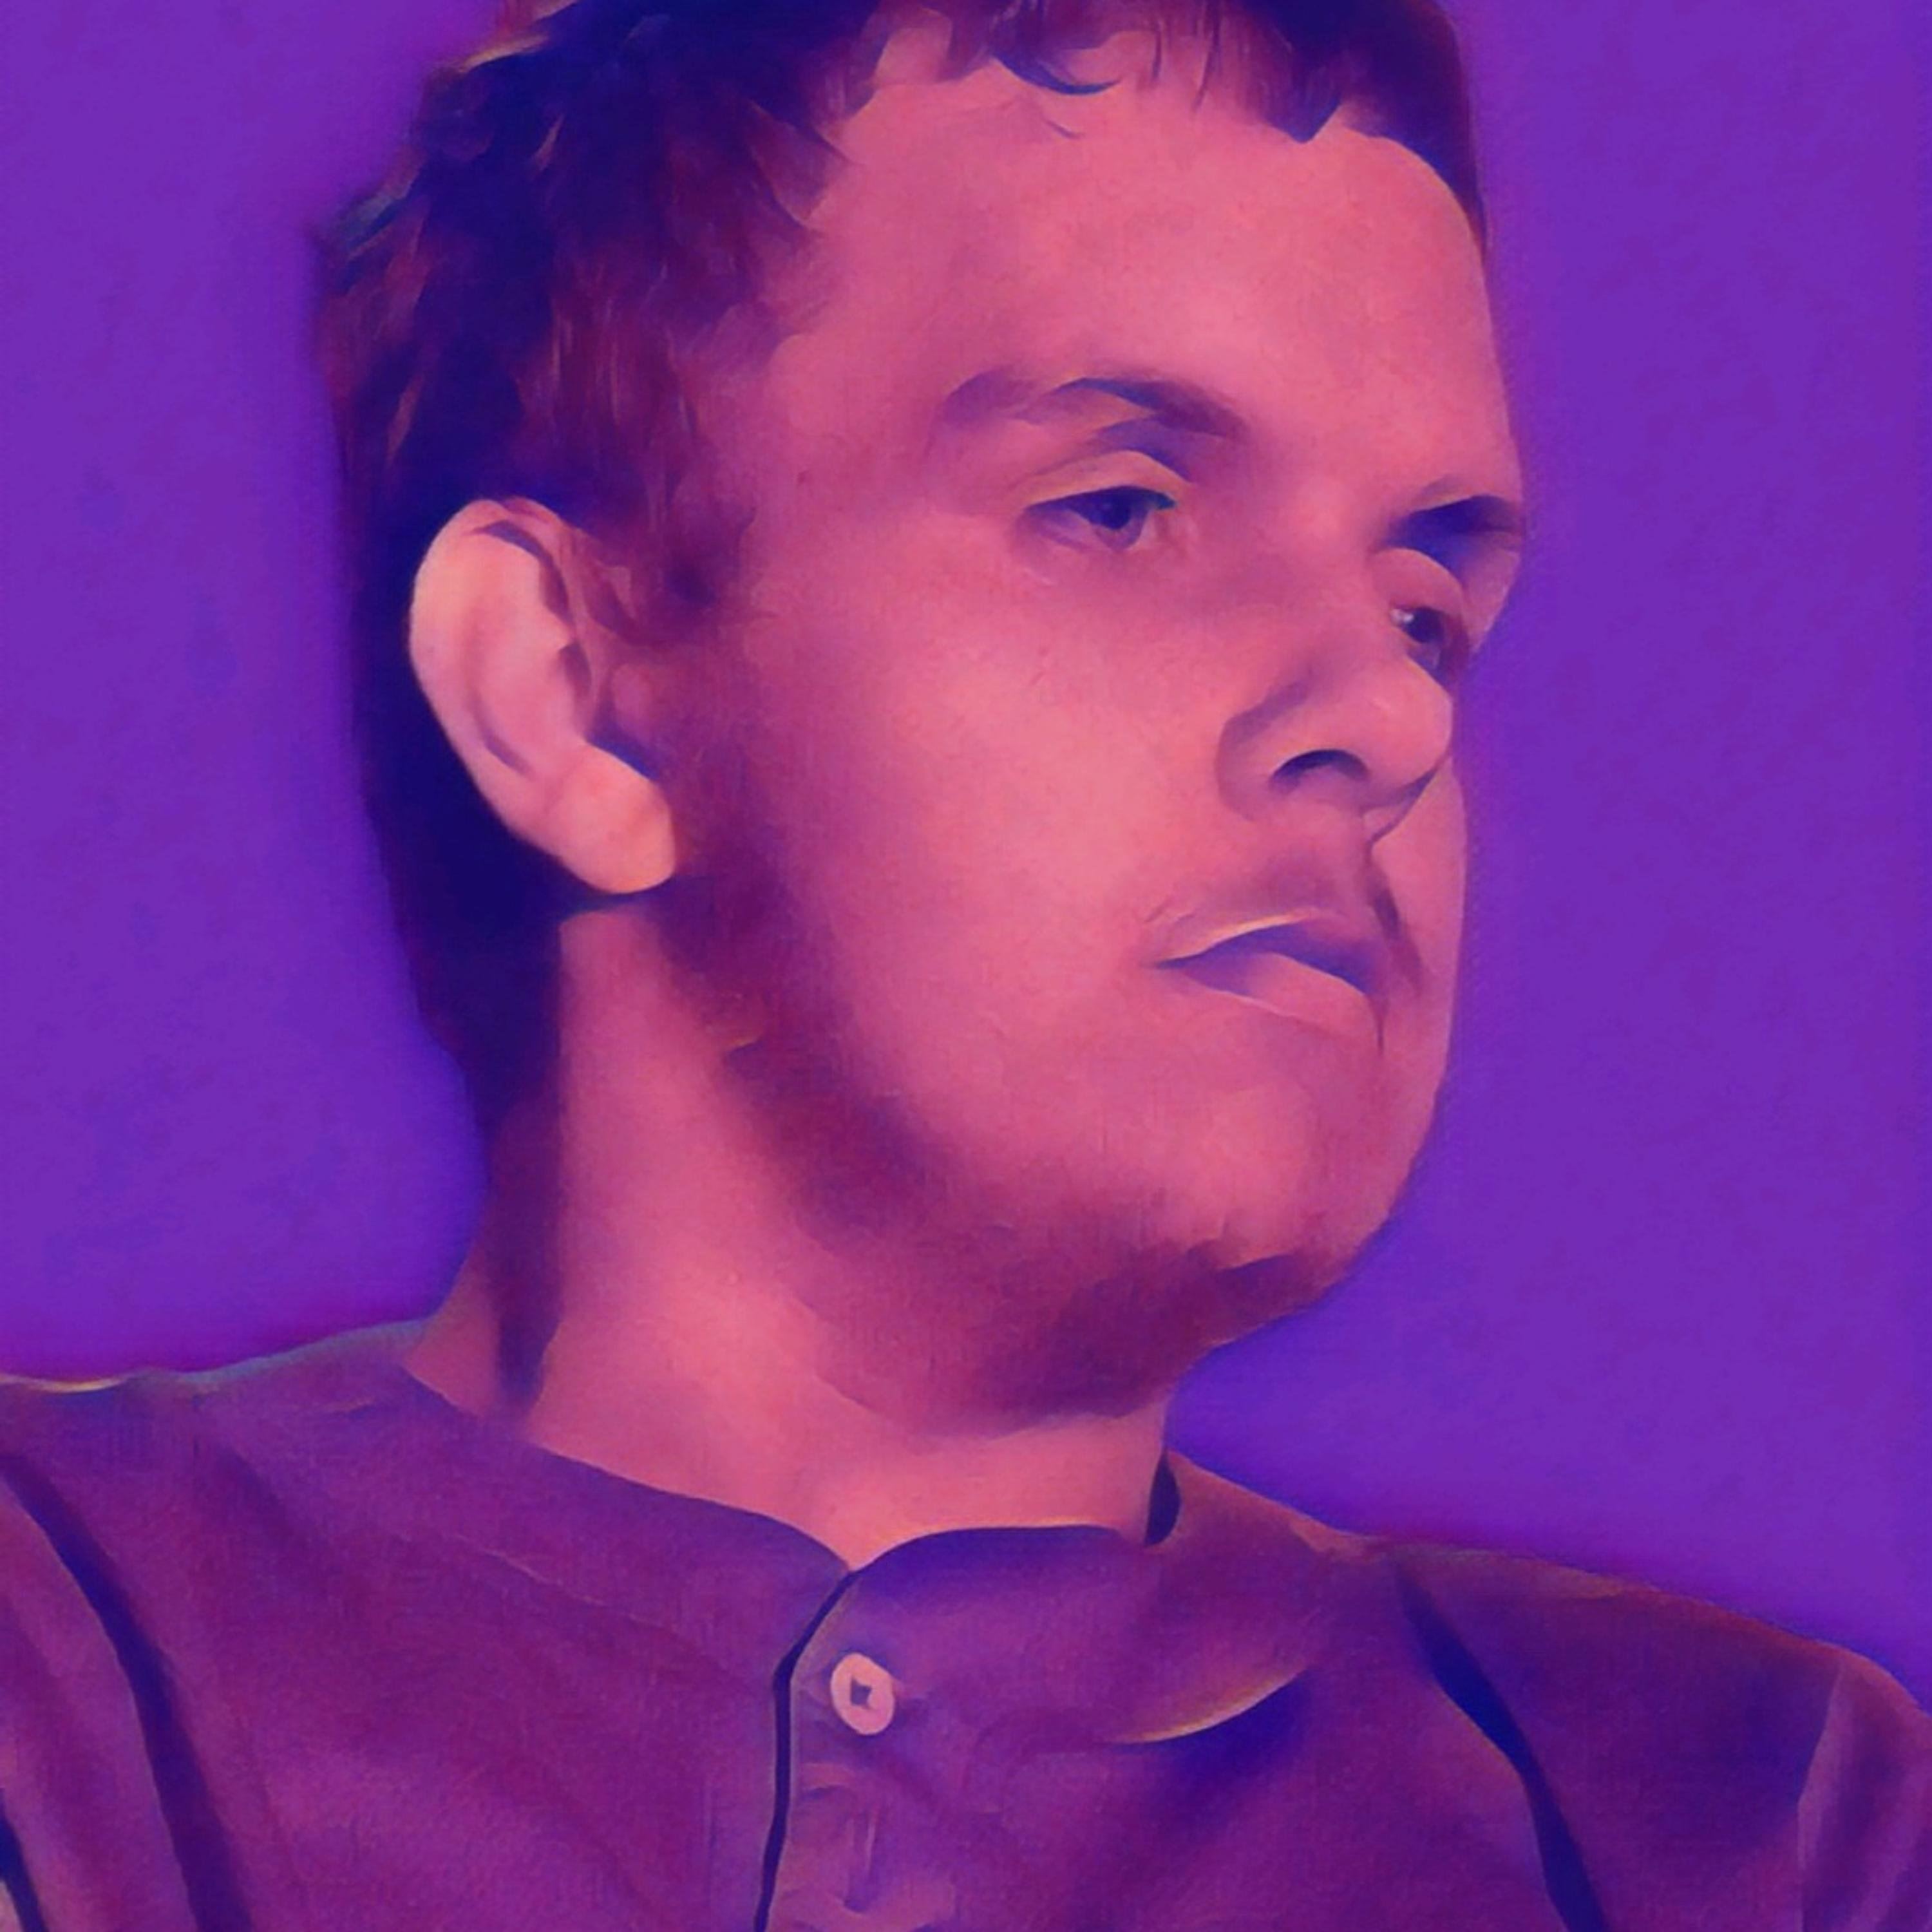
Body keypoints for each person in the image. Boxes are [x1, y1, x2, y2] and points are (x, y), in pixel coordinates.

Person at [1, 0, 1925, 1925]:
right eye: (1122, 510)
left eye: (1426, 610)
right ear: (566, 693)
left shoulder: (1755, 1830)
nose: (1388, 717)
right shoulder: (57, 1659)